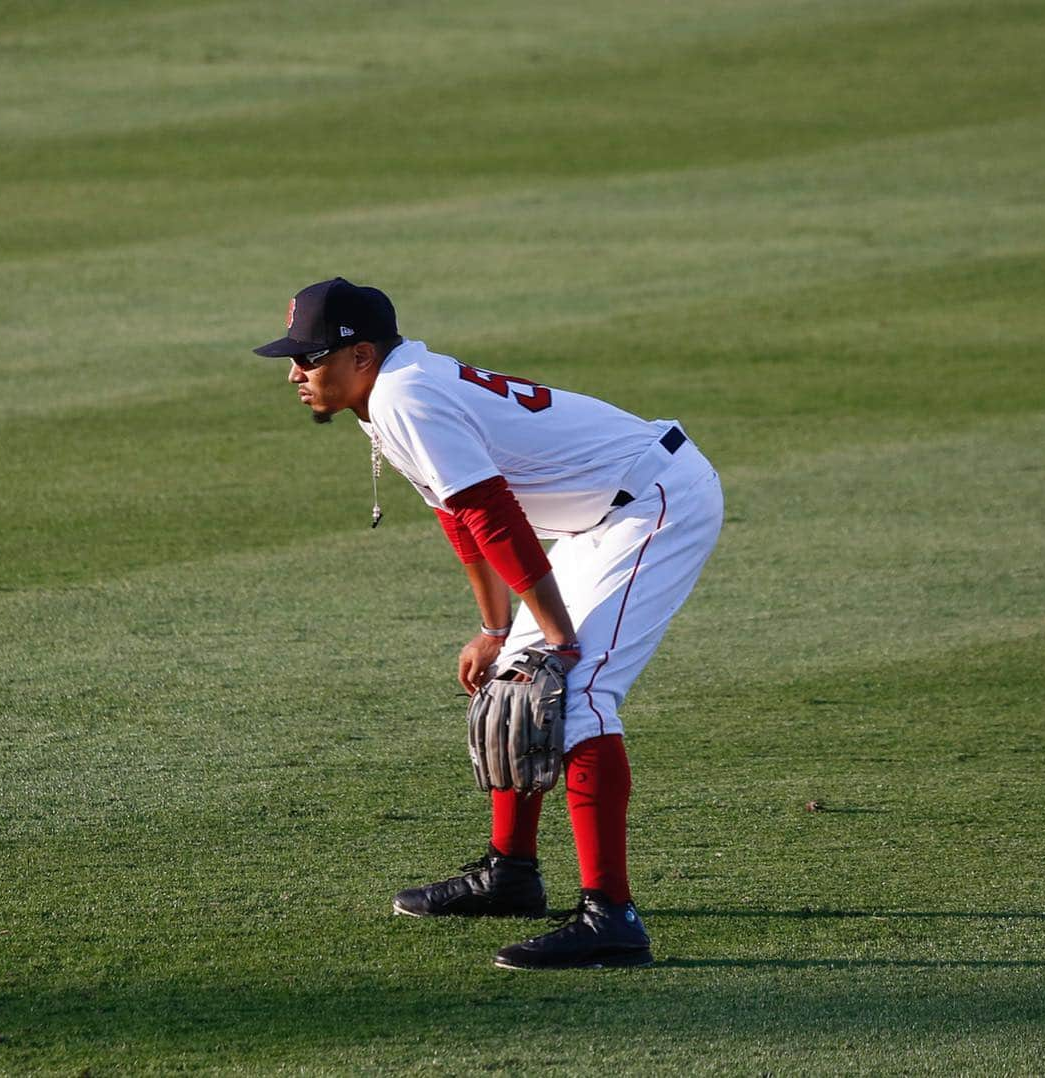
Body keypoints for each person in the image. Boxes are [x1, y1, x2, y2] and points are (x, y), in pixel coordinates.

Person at [254, 277, 724, 970]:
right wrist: (497, 629)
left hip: (654, 501)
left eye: (311, 357)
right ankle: (513, 874)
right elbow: (460, 517)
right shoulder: (388, 392)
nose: (296, 372)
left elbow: (494, 516)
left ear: (361, 356)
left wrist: (557, 636)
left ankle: (611, 918)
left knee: (577, 690)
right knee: (513, 682)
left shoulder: (404, 393)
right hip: (599, 514)